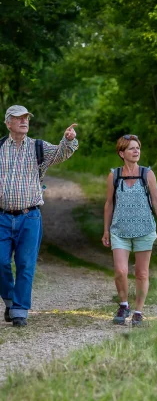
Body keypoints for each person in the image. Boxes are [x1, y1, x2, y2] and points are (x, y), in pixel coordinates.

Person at [0, 105, 78, 327]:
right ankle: (9, 300)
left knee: (25, 264)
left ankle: (19, 312)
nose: (24, 121)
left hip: (30, 216)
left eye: (26, 118)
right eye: (18, 118)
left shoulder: (38, 148)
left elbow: (62, 153)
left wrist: (68, 139)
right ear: (8, 123)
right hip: (2, 217)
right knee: (1, 262)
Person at [102, 134, 157, 327]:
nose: (136, 151)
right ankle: (124, 305)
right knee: (120, 271)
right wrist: (106, 230)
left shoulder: (146, 174)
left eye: (137, 147)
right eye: (131, 148)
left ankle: (138, 311)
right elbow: (109, 204)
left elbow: (156, 200)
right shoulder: (114, 175)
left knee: (142, 273)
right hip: (119, 230)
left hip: (145, 230)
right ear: (122, 153)